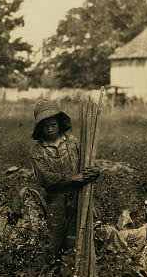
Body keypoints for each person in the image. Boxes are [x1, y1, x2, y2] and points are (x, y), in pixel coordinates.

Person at [29, 99, 99, 266]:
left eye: (53, 124)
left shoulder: (73, 142)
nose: (50, 128)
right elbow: (45, 179)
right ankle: (51, 275)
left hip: (78, 196)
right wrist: (73, 178)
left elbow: (87, 163)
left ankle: (73, 272)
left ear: (59, 123)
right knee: (54, 240)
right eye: (45, 126)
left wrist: (95, 171)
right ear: (40, 128)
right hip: (55, 200)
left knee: (75, 238)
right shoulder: (38, 151)